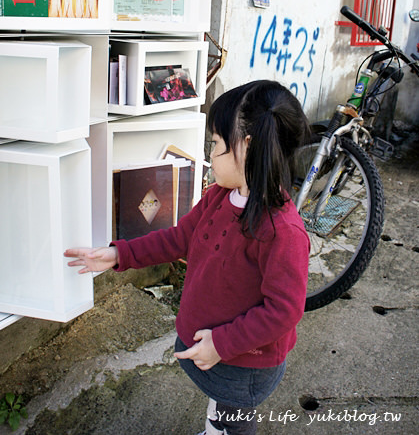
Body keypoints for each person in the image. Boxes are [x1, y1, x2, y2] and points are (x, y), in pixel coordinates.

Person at [64, 80, 311, 435]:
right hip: (213, 348)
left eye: (214, 144)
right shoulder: (220, 197)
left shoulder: (282, 231)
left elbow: (284, 310)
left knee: (234, 419)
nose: (209, 154)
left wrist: (221, 344)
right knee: (221, 410)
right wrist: (120, 254)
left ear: (246, 146)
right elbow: (180, 238)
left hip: (244, 360)